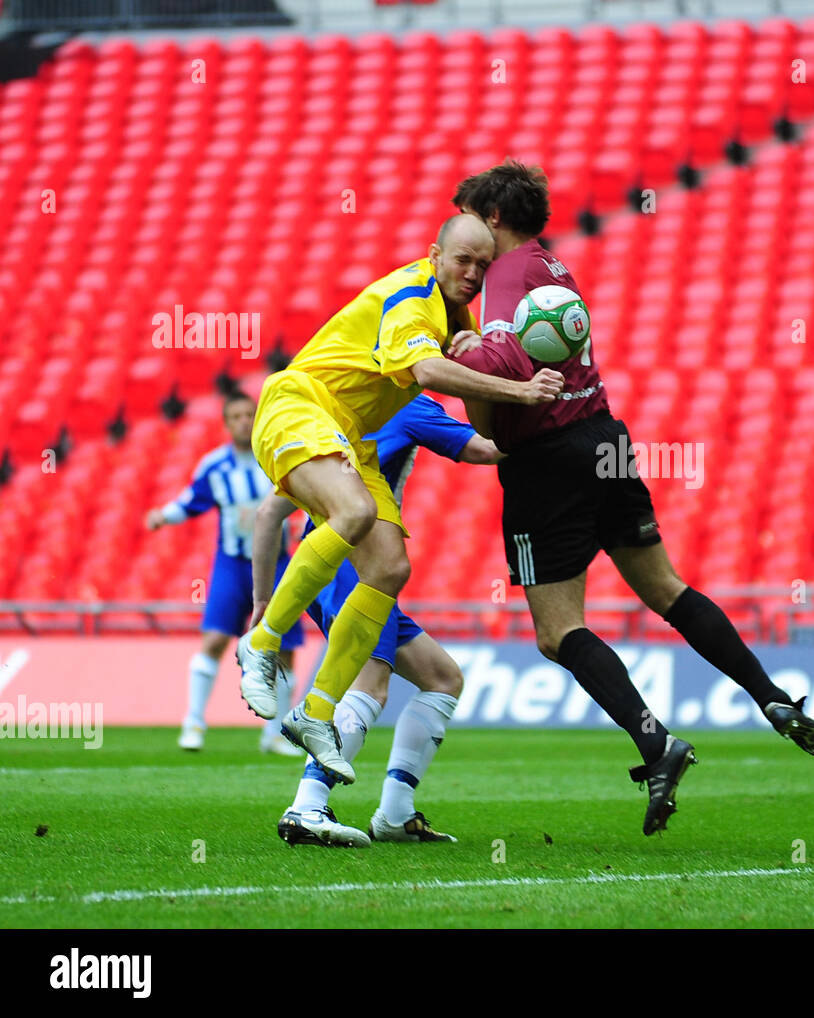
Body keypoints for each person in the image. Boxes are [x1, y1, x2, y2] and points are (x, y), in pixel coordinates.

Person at [450, 162, 814, 837]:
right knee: (665, 589)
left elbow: (510, 365)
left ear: (494, 218)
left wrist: (458, 354)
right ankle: (770, 696)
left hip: (549, 459)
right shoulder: (553, 268)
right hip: (605, 437)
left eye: (470, 218)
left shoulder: (507, 274)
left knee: (556, 630)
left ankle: (656, 743)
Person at [236, 214, 563, 786]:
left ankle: (315, 714)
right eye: (463, 260)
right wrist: (521, 390)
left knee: (389, 568)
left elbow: (449, 361)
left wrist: (472, 345)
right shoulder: (413, 296)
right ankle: (260, 646)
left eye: (483, 267)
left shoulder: (451, 311)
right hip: (300, 403)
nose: (473, 274)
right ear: (434, 254)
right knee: (355, 514)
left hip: (352, 435)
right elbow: (426, 369)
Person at [253, 395, 502, 847]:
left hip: (322, 561)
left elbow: (269, 513)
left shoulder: (332, 407)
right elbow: (487, 449)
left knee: (442, 678)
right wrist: (530, 408)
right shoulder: (408, 403)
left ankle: (394, 813)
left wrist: (264, 603)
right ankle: (306, 807)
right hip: (361, 566)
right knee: (370, 684)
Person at [144, 390, 302, 756]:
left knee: (285, 650)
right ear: (227, 423)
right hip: (232, 565)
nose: (245, 421)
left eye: (250, 414)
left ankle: (275, 735)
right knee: (214, 641)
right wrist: (162, 516)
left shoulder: (277, 460)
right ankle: (194, 723)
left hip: (279, 565)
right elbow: (190, 501)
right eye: (237, 416)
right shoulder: (214, 466)